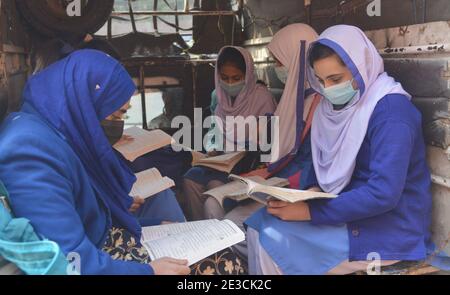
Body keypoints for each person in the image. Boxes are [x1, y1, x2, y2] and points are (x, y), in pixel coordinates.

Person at [245, 24, 433, 275]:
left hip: (387, 229)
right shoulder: (333, 110)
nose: (329, 89)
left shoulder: (391, 114)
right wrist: (304, 193)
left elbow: (383, 194)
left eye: (336, 79)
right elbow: (322, 164)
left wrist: (311, 210)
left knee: (273, 239)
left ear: (361, 67)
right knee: (259, 222)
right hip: (347, 210)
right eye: (321, 81)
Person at [0, 49, 190, 275]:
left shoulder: (55, 131)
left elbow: (88, 218)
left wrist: (153, 226)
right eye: (116, 115)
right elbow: (70, 260)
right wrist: (150, 272)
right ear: (85, 105)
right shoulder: (29, 151)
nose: (118, 125)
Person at [221, 23, 320, 261]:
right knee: (215, 201)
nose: (277, 69)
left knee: (230, 225)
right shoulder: (295, 99)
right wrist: (265, 172)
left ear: (297, 58)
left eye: (279, 61)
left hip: (297, 189)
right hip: (280, 181)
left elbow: (309, 161)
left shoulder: (319, 104)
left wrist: (270, 178)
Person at [182, 46, 277, 221]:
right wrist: (213, 149)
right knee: (190, 179)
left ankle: (220, 240)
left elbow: (267, 142)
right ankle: (201, 232)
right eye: (224, 78)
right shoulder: (220, 98)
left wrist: (242, 149)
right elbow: (214, 132)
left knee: (215, 185)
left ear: (247, 76)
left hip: (249, 163)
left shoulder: (262, 98)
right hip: (222, 161)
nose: (230, 84)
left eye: (236, 78)